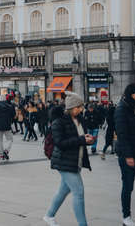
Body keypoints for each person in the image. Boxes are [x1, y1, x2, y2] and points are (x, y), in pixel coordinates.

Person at [43, 92, 94, 226]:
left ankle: (49, 216)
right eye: (78, 107)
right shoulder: (59, 121)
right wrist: (82, 139)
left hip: (74, 160)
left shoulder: (79, 119)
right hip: (63, 161)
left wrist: (86, 139)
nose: (81, 109)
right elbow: (60, 143)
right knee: (79, 192)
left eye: (81, 106)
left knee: (64, 190)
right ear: (70, 107)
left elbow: (79, 138)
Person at [114, 83, 135, 226]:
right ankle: (126, 217)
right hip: (128, 155)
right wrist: (128, 156)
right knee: (128, 186)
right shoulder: (121, 109)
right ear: (129, 94)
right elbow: (122, 134)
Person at [0, 95, 15, 161]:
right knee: (10, 139)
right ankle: (6, 150)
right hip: (7, 125)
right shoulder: (10, 106)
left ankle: (1, 155)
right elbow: (13, 115)